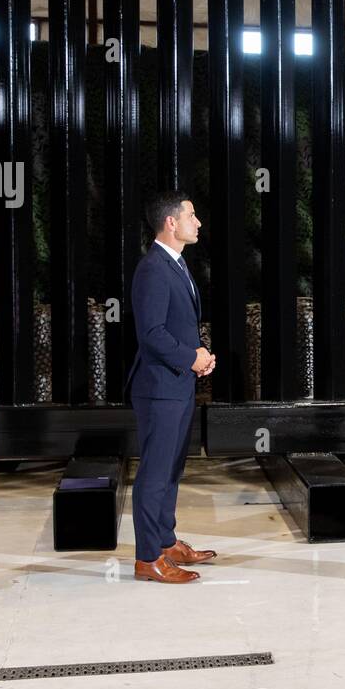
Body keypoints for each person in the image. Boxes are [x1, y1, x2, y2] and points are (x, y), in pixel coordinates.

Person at [126, 191, 218, 583]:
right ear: (171, 223)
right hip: (159, 387)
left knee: (172, 470)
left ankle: (165, 541)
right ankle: (148, 558)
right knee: (154, 473)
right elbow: (151, 334)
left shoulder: (175, 265)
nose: (198, 223)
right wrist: (190, 357)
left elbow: (175, 327)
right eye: (192, 216)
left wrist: (197, 355)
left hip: (177, 383)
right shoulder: (153, 269)